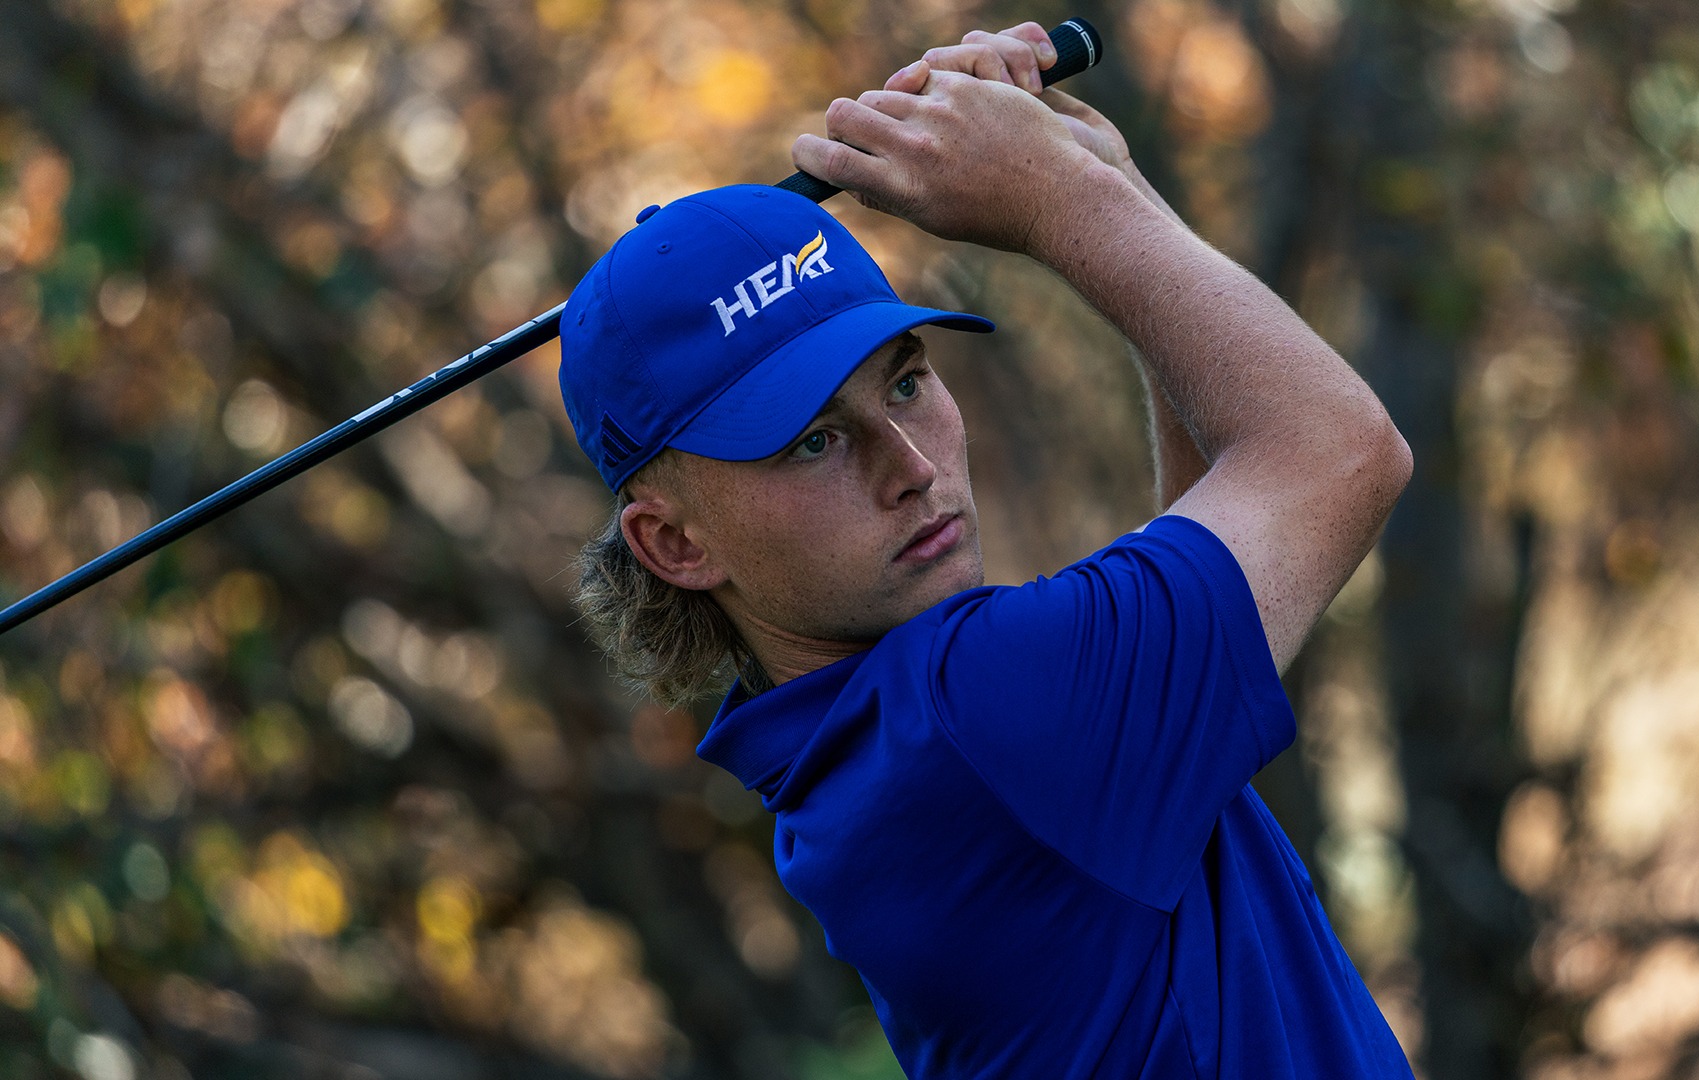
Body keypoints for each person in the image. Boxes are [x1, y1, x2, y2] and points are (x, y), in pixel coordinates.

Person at [560, 22, 1415, 1079]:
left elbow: (1223, 520)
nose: (910, 462)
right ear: (676, 544)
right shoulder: (979, 716)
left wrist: (1109, 188)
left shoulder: (861, 751)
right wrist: (1058, 201)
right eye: (814, 439)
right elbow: (1340, 449)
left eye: (907, 380)